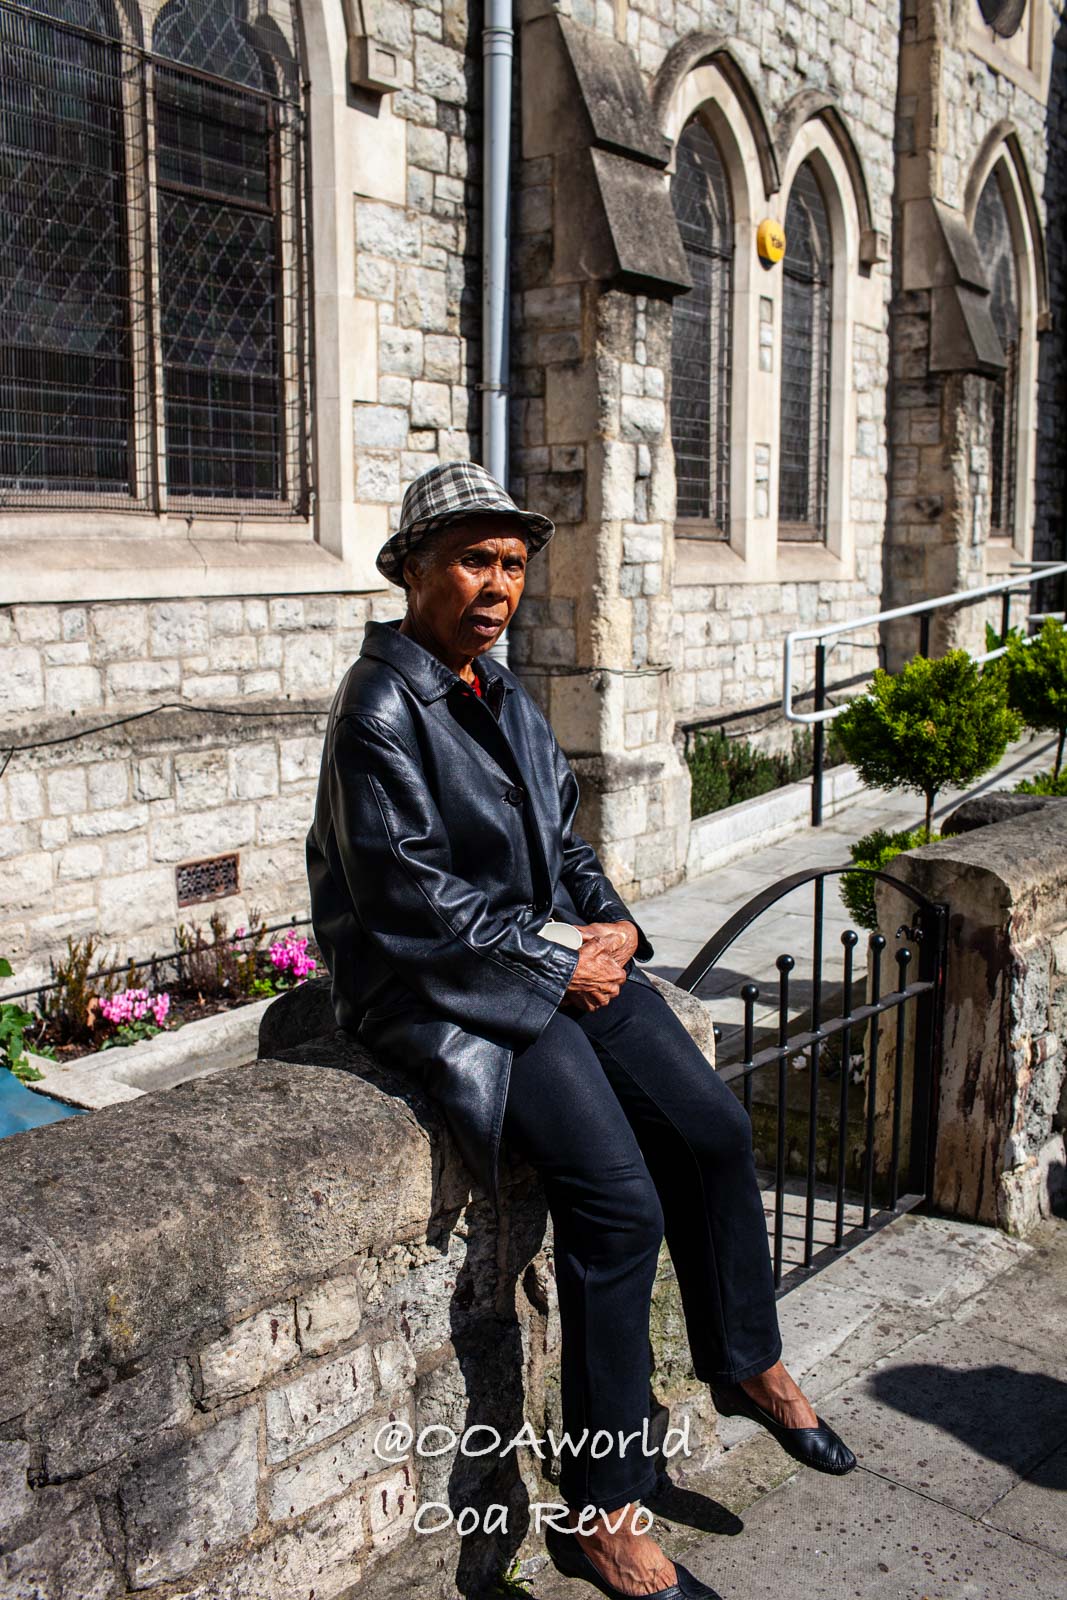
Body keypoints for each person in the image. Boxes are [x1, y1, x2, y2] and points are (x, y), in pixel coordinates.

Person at [307, 461, 855, 1600]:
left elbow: (562, 840)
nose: (497, 583)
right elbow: (411, 901)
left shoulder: (498, 690)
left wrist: (607, 928)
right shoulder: (379, 707)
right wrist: (562, 959)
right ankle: (598, 1513)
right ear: (411, 570)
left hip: (543, 960)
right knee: (615, 1199)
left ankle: (744, 1359)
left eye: (510, 562)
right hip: (445, 989)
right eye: (472, 558)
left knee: (709, 1126)